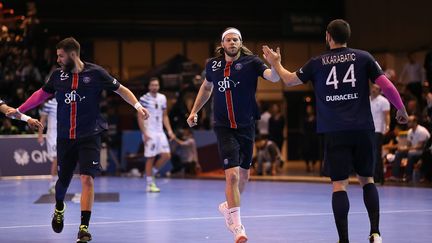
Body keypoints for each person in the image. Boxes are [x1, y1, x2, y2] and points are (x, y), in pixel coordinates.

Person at [262, 19, 408, 243]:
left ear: (328, 36)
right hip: (362, 129)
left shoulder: (317, 62)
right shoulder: (364, 57)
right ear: (347, 36)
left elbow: (290, 81)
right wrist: (401, 108)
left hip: (335, 131)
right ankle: (376, 233)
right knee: (367, 180)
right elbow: (386, 85)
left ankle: (344, 240)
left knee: (339, 185)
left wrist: (276, 63)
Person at [6, 37, 149, 243]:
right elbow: (40, 95)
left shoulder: (96, 73)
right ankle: (59, 206)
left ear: (73, 55)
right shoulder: (57, 76)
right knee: (63, 181)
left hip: (90, 135)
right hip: (66, 137)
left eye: (60, 56)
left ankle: (83, 228)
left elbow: (121, 89)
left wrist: (137, 106)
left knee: (86, 179)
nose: (58, 60)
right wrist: (19, 111)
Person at [187, 27, 280, 243]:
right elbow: (206, 88)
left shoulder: (252, 62)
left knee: (245, 177)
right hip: (223, 126)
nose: (232, 43)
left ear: (241, 42)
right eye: (228, 40)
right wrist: (194, 111)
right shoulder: (213, 65)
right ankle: (237, 226)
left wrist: (275, 63)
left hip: (246, 126)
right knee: (233, 175)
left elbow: (273, 78)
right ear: (222, 44)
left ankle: (227, 207)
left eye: (236, 39)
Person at [137, 77, 175, 193]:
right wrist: (144, 133)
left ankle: (150, 174)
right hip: (150, 132)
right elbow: (139, 117)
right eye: (152, 85)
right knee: (151, 157)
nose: (154, 87)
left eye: (156, 85)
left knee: (167, 155)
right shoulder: (143, 99)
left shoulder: (162, 98)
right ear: (149, 86)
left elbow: (165, 116)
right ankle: (149, 184)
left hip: (160, 131)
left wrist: (169, 131)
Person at [389, 115, 430, 182]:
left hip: (423, 152)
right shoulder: (410, 132)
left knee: (411, 154)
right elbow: (408, 144)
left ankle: (408, 176)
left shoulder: (422, 131)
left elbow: (420, 146)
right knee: (398, 153)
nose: (408, 123)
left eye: (410, 121)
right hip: (413, 150)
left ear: (415, 122)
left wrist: (405, 149)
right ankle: (395, 176)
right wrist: (402, 148)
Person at [369, 84, 390, 184]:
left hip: (378, 130)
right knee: (370, 154)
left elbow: (387, 115)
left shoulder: (383, 101)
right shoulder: (367, 99)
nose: (374, 90)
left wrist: (387, 126)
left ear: (380, 91)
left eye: (377, 89)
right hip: (368, 130)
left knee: (376, 154)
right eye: (373, 88)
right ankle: (376, 177)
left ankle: (377, 177)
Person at [38, 97, 58, 193]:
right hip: (52, 135)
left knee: (62, 160)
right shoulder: (48, 104)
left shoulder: (67, 101)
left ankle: (57, 182)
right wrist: (40, 135)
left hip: (63, 134)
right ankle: (52, 183)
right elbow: (42, 121)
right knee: (56, 158)